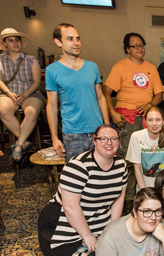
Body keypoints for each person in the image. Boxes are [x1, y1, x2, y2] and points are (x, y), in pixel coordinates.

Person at [38, 125, 127, 256]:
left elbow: (119, 200)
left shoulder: (121, 165)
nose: (109, 143)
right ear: (94, 141)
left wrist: (112, 231)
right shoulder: (78, 166)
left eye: (113, 139)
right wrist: (87, 236)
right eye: (103, 139)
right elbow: (70, 207)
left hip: (97, 219)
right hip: (63, 221)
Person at [45, 23, 112, 160]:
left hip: (97, 131)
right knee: (76, 177)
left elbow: (100, 98)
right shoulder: (52, 70)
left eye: (78, 39)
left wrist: (107, 127)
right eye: (70, 39)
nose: (76, 43)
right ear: (58, 42)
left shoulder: (92, 67)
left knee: (101, 174)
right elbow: (51, 106)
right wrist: (54, 138)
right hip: (73, 134)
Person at [103, 32, 164, 158]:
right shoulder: (120, 67)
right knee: (127, 155)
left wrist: (149, 105)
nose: (140, 49)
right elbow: (106, 91)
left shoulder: (151, 68)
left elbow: (159, 94)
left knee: (148, 154)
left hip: (146, 118)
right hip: (126, 119)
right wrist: (112, 113)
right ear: (127, 49)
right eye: (135, 46)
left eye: (141, 45)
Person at [0, 28, 45, 161]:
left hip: (30, 92)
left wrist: (25, 95)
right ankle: (24, 141)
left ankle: (18, 146)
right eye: (11, 40)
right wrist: (9, 94)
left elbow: (36, 82)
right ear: (5, 44)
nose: (15, 43)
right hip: (8, 92)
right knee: (3, 110)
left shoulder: (31, 60)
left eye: (17, 40)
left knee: (32, 111)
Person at [126, 106, 164, 190]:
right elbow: (137, 168)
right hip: (144, 187)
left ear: (163, 121)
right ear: (145, 122)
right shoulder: (136, 136)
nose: (154, 124)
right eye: (150, 120)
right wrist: (144, 191)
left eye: (158, 120)